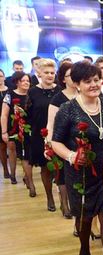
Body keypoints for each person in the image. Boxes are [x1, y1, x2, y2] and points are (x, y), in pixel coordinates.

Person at [51, 61, 103, 255]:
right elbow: (56, 141)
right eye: (88, 81)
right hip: (79, 173)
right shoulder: (67, 109)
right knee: (84, 217)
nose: (94, 84)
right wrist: (71, 156)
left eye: (96, 80)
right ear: (77, 84)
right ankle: (84, 247)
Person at [27, 58, 60, 210]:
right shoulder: (33, 92)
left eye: (52, 72)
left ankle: (64, 202)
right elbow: (29, 114)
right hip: (40, 135)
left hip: (59, 134)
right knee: (46, 167)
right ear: (39, 73)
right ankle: (50, 198)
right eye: (46, 72)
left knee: (60, 168)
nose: (50, 75)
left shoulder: (59, 90)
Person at [46, 61, 78, 219]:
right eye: (70, 75)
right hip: (62, 142)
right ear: (63, 79)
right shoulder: (57, 99)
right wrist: (49, 144)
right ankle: (65, 204)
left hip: (81, 141)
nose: (74, 78)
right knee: (63, 176)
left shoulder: (83, 94)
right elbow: (50, 124)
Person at [1, 71, 31, 186]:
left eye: (28, 81)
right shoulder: (10, 95)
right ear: (17, 82)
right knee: (12, 150)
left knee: (27, 153)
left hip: (28, 128)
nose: (26, 83)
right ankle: (12, 175)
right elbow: (4, 115)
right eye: (23, 81)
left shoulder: (31, 94)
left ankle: (27, 177)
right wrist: (4, 132)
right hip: (12, 127)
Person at [0, 69, 9, 178]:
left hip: (9, 121)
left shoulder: (9, 90)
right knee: (2, 147)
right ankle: (5, 169)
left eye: (1, 76)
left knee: (12, 146)